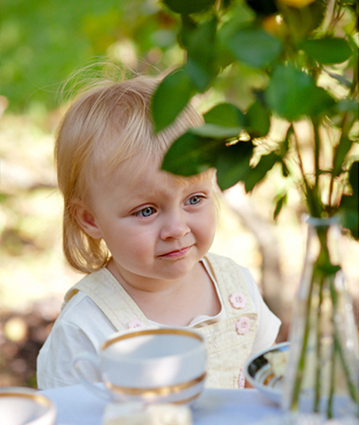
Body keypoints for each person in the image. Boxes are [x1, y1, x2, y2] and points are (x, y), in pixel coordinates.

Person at [37, 74, 280, 389]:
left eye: (194, 199)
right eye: (146, 211)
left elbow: (262, 393)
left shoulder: (238, 292)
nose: (176, 228)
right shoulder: (86, 327)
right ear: (90, 219)